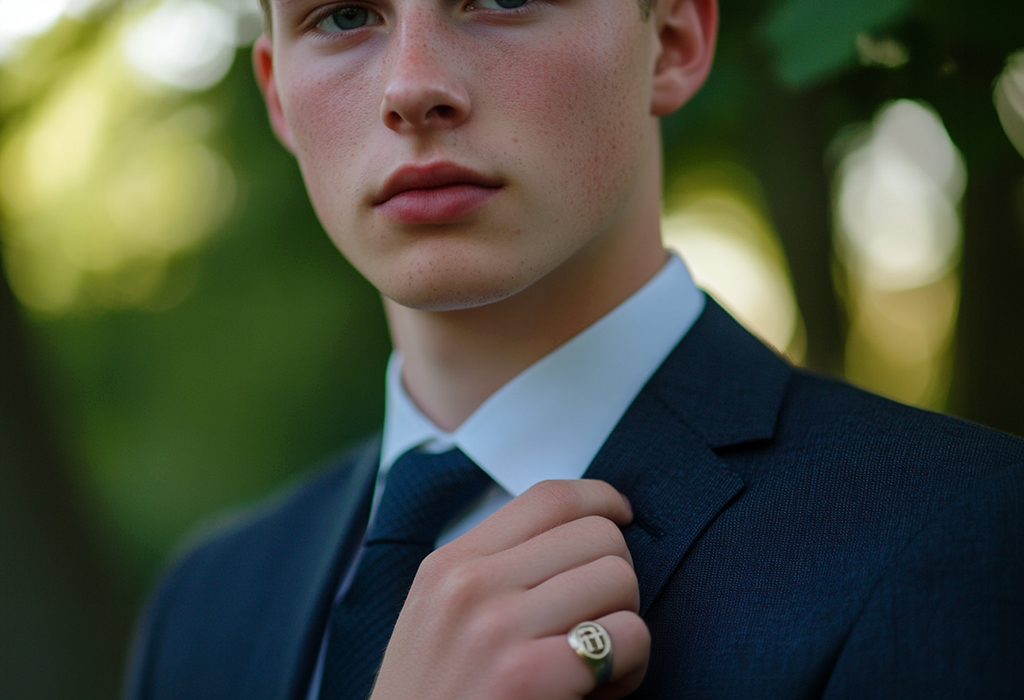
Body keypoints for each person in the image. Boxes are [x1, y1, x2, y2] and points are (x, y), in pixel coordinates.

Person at [123, 0, 1024, 698]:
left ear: (670, 41)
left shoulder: (965, 535)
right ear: (279, 94)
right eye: (346, 16)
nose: (411, 85)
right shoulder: (207, 605)